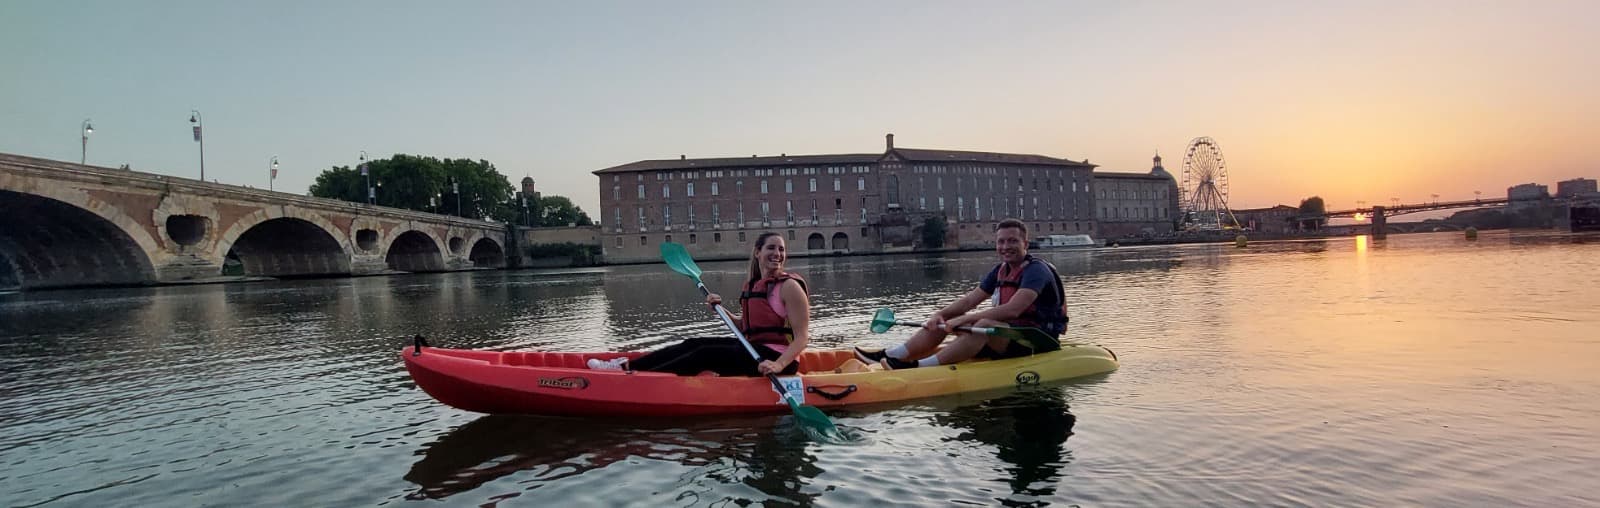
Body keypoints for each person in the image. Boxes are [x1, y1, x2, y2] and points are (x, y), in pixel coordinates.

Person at [590, 232, 811, 376]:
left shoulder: (789, 286)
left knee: (703, 353)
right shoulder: (754, 284)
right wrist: (719, 309)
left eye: (781, 249)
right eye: (771, 248)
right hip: (753, 349)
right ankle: (626, 367)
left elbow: (802, 338)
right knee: (693, 343)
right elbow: (745, 327)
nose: (777, 254)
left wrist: (779, 365)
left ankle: (636, 379)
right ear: (757, 252)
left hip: (777, 359)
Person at [855, 218, 1067, 369]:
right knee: (948, 318)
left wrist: (963, 320)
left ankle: (919, 367)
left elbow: (1014, 309)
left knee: (982, 324)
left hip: (1036, 340)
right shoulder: (1001, 270)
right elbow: (969, 301)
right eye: (1001, 241)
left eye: (1012, 241)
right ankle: (892, 355)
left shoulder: (1036, 270)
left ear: (1025, 244)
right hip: (1008, 336)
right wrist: (941, 314)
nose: (1005, 246)